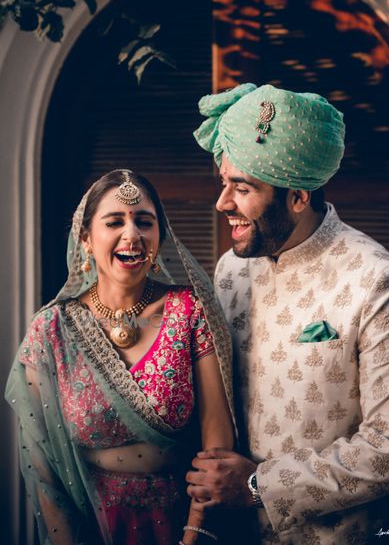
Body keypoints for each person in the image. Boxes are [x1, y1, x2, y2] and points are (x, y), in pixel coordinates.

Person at [187, 83, 389, 544]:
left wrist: (260, 486)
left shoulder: (375, 278)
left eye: (242, 188)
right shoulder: (232, 272)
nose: (223, 204)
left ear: (299, 196)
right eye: (224, 183)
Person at [6, 169, 235, 545]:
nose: (133, 234)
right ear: (86, 239)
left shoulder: (189, 310)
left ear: (159, 237)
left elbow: (217, 440)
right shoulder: (51, 330)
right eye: (114, 221)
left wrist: (196, 532)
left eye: (145, 222)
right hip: (91, 525)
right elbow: (42, 466)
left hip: (182, 521)